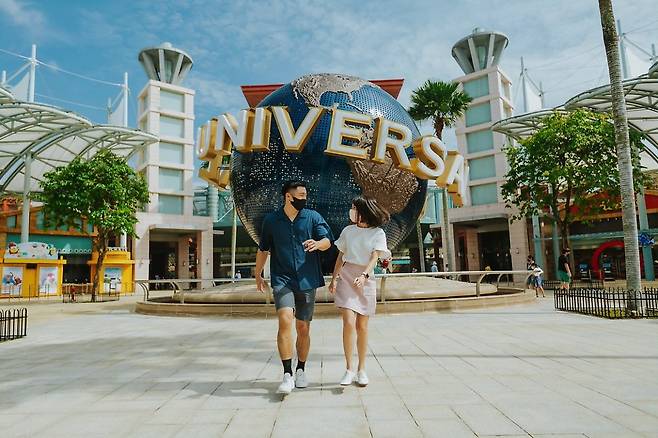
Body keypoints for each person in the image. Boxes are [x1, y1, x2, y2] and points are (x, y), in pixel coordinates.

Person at [255, 181, 333, 395]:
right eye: (300, 195)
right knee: (285, 320)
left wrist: (318, 244)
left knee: (303, 328)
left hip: (307, 279)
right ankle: (287, 373)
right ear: (288, 197)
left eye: (305, 194)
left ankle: (301, 370)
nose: (304, 198)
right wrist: (258, 273)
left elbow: (327, 240)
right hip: (282, 279)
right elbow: (263, 249)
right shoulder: (271, 220)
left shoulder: (312, 217)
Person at [329, 195, 391, 387]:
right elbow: (340, 257)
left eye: (355, 208)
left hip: (366, 278)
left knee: (362, 326)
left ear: (364, 211)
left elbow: (374, 258)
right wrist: (334, 278)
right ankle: (349, 369)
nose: (352, 211)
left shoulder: (378, 233)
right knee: (348, 322)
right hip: (347, 276)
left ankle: (361, 369)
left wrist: (364, 275)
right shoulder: (348, 231)